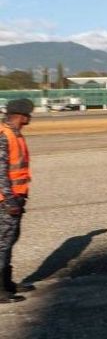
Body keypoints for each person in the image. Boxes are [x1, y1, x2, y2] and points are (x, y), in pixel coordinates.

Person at [1, 99, 35, 304]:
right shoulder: (4, 136)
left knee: (8, 241)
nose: (30, 117)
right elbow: (0, 172)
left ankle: (7, 283)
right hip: (6, 200)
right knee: (2, 244)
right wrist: (9, 200)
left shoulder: (15, 133)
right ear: (21, 116)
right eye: (29, 114)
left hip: (16, 197)